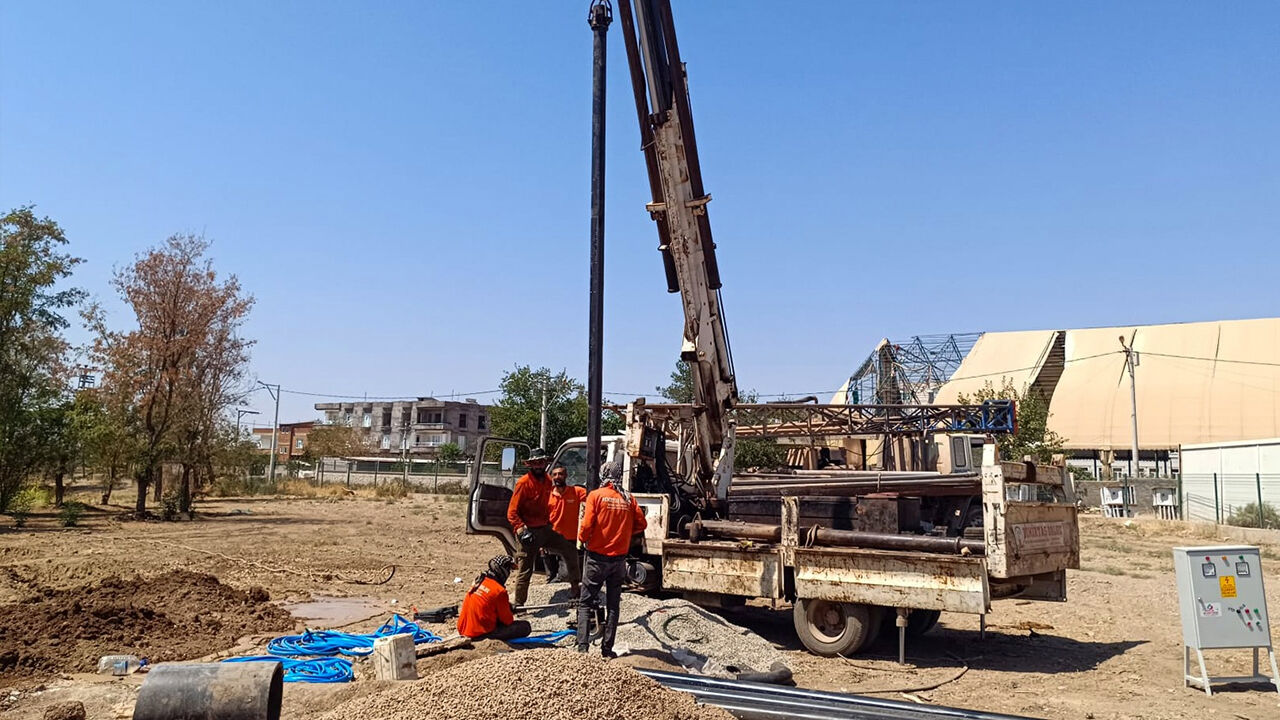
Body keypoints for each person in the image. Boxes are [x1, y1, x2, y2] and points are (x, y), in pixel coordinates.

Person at [576, 474, 647, 658]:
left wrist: (582, 539)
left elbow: (586, 525)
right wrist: (625, 532)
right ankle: (607, 650)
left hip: (597, 559)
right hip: (619, 561)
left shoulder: (596, 495)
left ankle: (582, 649)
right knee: (613, 606)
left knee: (585, 603)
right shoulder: (628, 498)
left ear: (603, 475)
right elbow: (642, 523)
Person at [507, 448, 581, 607]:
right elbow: (512, 512)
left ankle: (576, 588)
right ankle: (519, 604)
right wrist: (521, 530)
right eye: (535, 463)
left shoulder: (548, 481)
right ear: (530, 465)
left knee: (570, 550)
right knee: (525, 568)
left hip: (544, 528)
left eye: (541, 462)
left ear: (545, 463)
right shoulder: (523, 483)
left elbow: (548, 505)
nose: (539, 466)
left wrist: (549, 523)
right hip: (527, 530)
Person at [457, 555, 531, 640]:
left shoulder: (479, 581)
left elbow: (487, 601)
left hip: (463, 629)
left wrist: (507, 606)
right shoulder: (499, 591)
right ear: (503, 570)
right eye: (509, 570)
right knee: (525, 627)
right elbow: (507, 621)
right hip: (480, 634)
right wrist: (509, 610)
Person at [544, 464, 587, 582]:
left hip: (569, 542)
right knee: (550, 576)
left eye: (561, 474)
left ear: (566, 476)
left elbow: (594, 497)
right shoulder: (547, 495)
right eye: (555, 474)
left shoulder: (577, 492)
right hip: (550, 541)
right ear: (551, 477)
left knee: (565, 576)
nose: (558, 477)